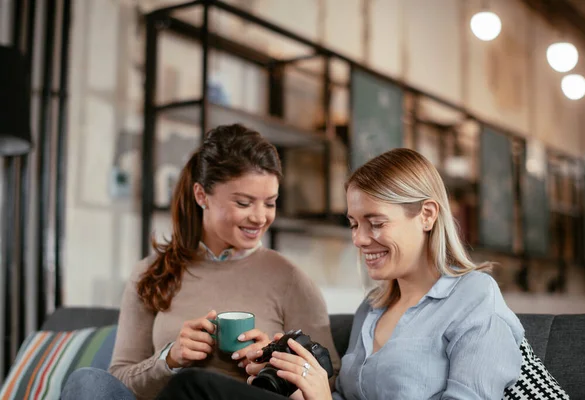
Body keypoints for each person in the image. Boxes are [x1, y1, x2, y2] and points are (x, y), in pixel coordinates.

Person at [158, 147, 524, 400]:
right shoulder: (374, 308)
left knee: (192, 390)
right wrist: (297, 380)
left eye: (375, 223)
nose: (360, 239)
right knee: (194, 387)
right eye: (353, 224)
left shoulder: (474, 298)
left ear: (427, 215)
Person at [61, 124, 340, 400]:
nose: (259, 217)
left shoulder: (291, 280)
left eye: (270, 203)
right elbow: (118, 381)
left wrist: (272, 367)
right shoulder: (150, 273)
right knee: (87, 381)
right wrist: (168, 359)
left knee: (195, 382)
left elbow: (328, 381)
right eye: (244, 203)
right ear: (201, 195)